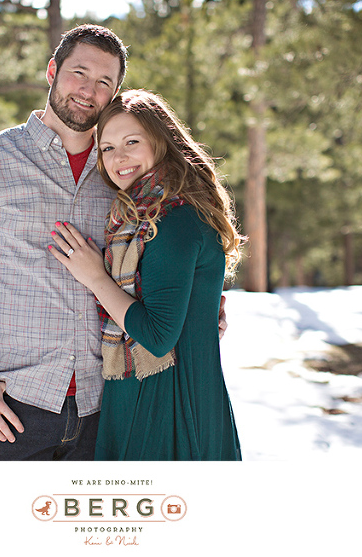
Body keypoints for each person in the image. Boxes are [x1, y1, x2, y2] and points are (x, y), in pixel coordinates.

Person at [0, 24, 227, 461]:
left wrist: (200, 302)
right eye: (79, 73)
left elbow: (164, 257)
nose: (88, 90)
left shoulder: (121, 176)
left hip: (106, 409)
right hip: (13, 407)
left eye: (104, 82)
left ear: (116, 92)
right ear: (52, 71)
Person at [48, 89, 242, 460]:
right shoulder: (139, 213)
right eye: (107, 148)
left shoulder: (174, 217)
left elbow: (156, 335)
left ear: (161, 141)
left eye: (131, 142)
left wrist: (96, 278)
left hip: (169, 404)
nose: (118, 157)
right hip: (149, 390)